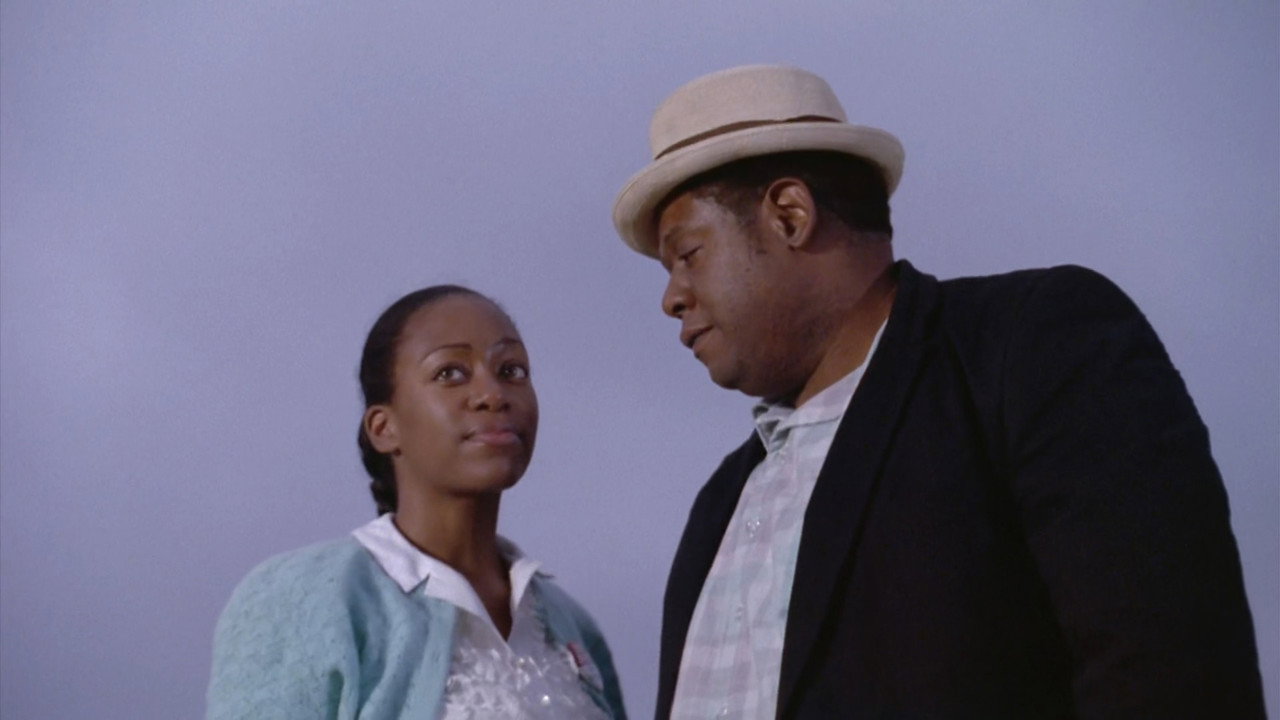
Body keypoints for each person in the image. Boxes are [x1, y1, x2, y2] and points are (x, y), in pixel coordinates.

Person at [611, 65, 1264, 719]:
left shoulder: (1030, 349)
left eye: (687, 254)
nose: (671, 298)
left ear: (789, 215)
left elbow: (1171, 675)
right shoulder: (721, 501)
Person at [207, 285, 627, 719]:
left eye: (512, 370)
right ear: (383, 428)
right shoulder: (303, 601)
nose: (493, 394)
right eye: (450, 373)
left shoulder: (570, 625)